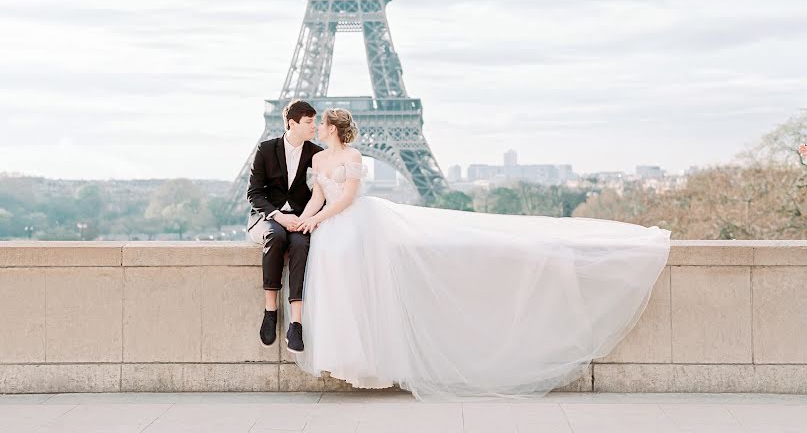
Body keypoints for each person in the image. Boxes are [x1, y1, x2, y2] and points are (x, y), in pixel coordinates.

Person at [279, 108, 672, 401]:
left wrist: (315, 223)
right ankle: (347, 358)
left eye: (321, 123)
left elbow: (347, 198)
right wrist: (303, 220)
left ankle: (368, 362)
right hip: (331, 230)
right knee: (339, 294)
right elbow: (318, 195)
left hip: (351, 227)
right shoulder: (318, 159)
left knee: (361, 292)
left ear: (332, 128)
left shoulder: (353, 158)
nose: (317, 127)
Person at [245, 99, 323, 353]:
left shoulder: (316, 152)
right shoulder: (266, 149)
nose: (315, 126)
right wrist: (278, 216)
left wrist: (304, 219)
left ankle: (295, 323)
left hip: (300, 218)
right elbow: (254, 194)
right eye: (309, 122)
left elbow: (322, 192)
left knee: (301, 244)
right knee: (275, 237)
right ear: (292, 123)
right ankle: (270, 310)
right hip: (271, 218)